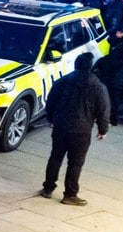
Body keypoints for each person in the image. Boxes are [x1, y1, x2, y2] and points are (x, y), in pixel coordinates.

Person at [41, 52, 110, 206]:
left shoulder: (63, 81)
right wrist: (103, 129)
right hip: (82, 130)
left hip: (61, 126)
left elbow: (51, 101)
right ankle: (70, 194)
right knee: (75, 163)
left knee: (55, 157)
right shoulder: (98, 87)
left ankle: (48, 188)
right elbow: (103, 109)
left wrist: (51, 118)